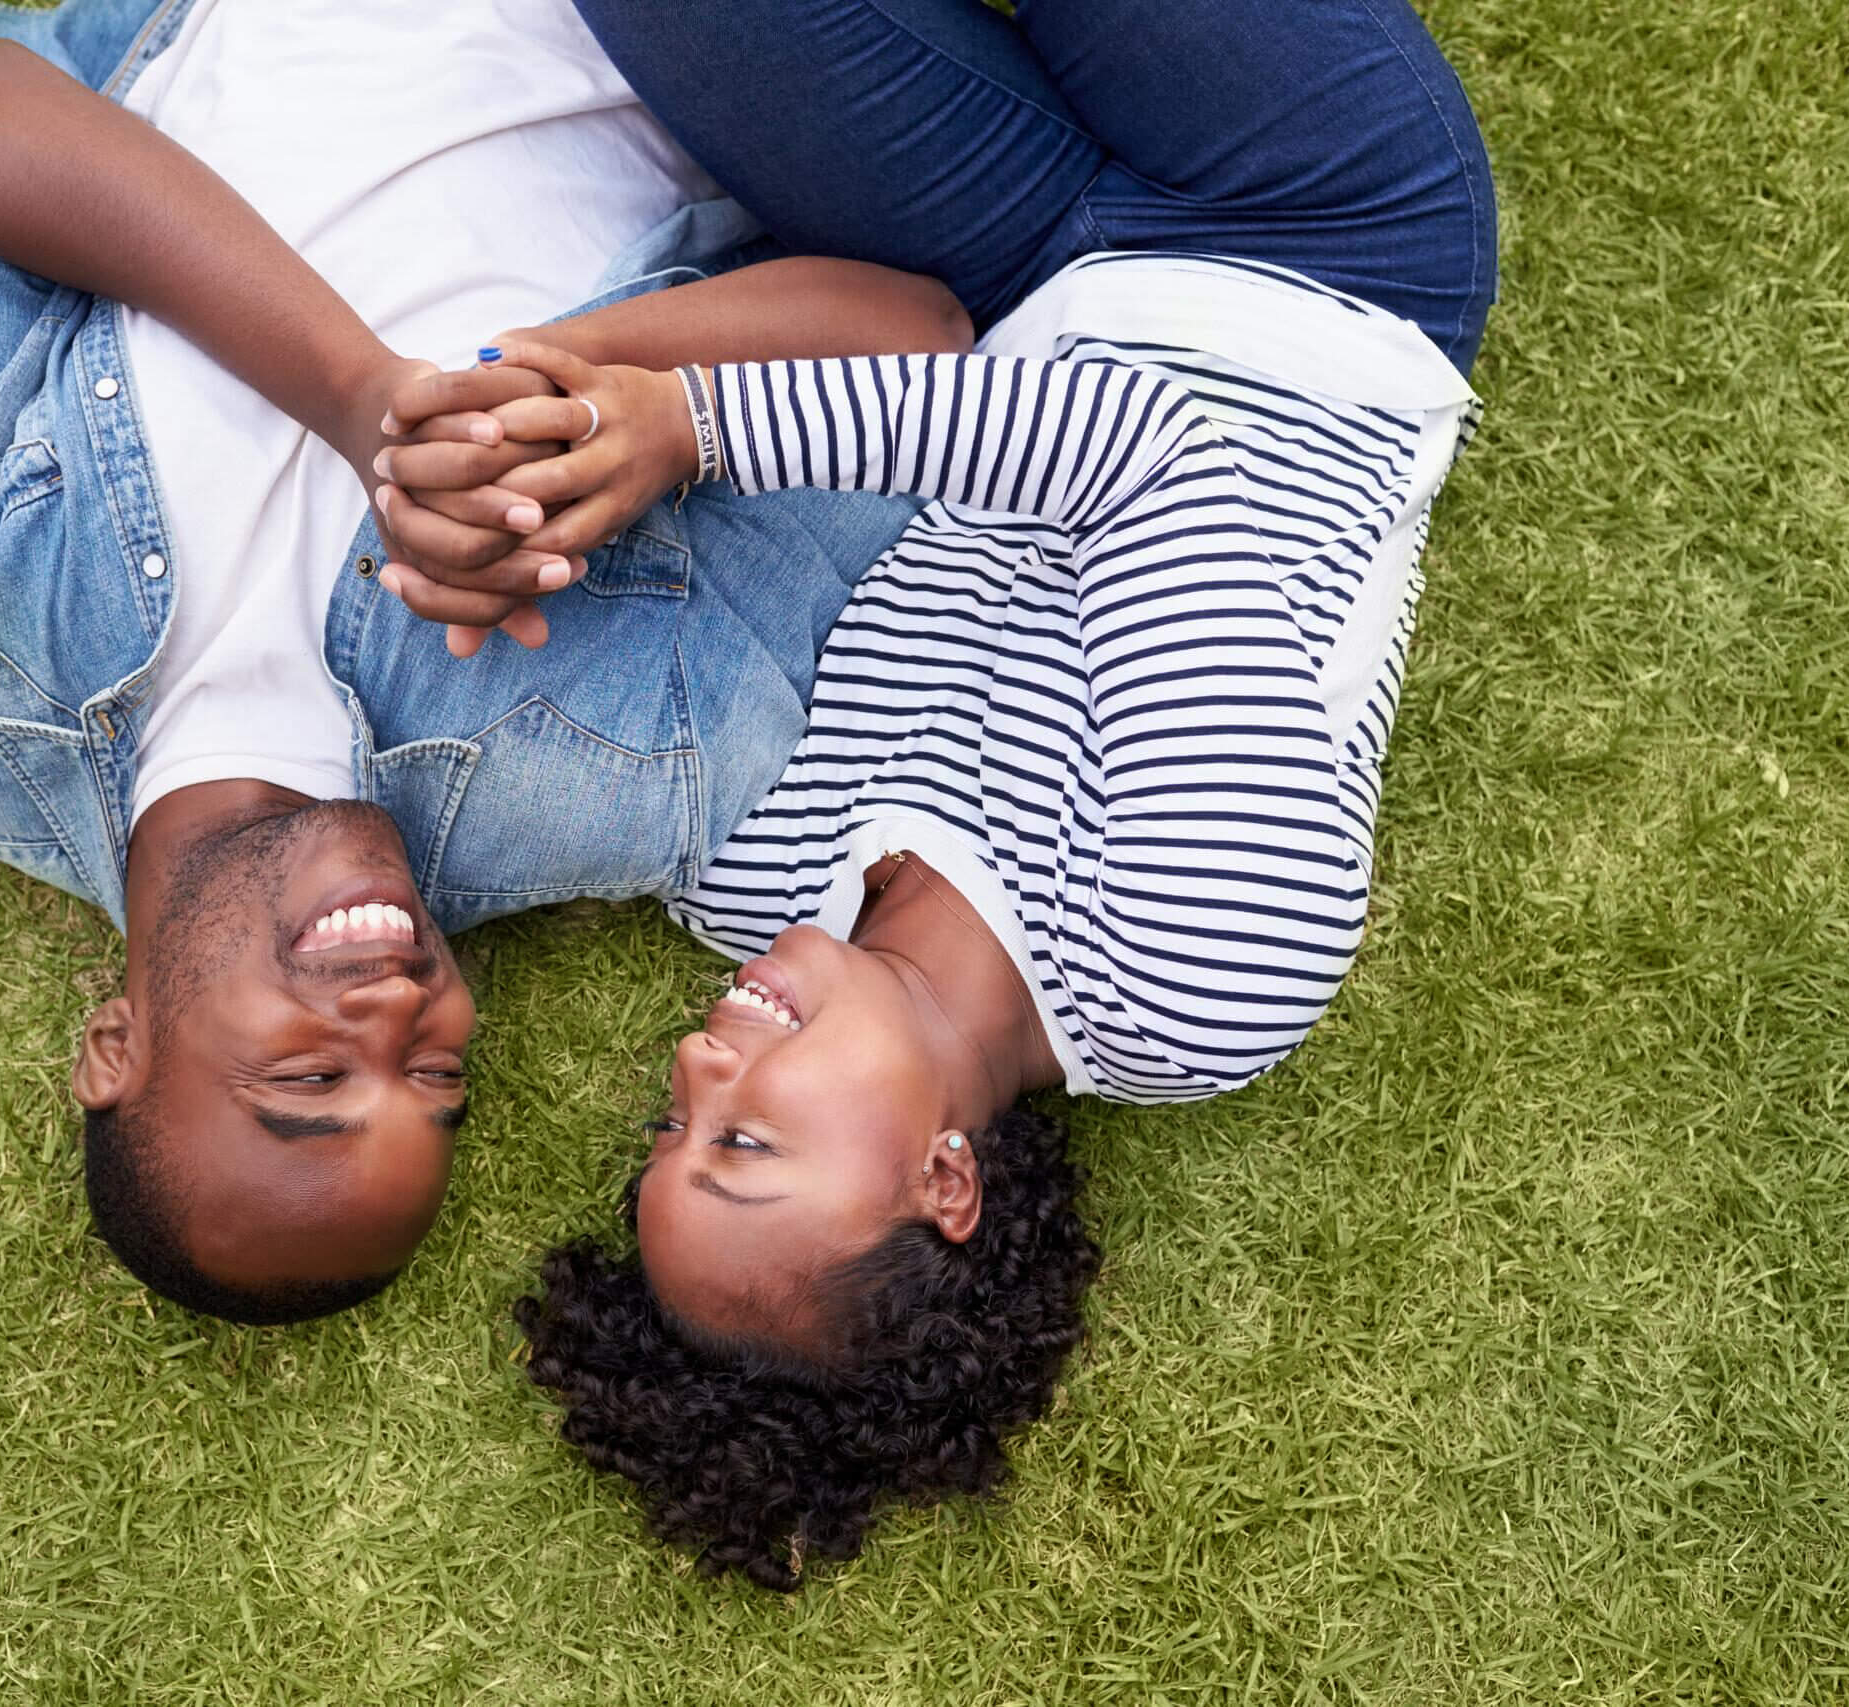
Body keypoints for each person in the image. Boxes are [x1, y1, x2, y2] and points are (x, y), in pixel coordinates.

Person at [375, 0, 1495, 1588]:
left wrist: (519, 492)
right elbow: (1156, 451)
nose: (701, 1060)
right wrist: (697, 431)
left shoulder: (752, 874)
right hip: (1313, 253)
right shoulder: (1197, 969)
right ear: (942, 1184)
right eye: (748, 1141)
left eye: (672, 1120)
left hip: (1000, 277)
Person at [0, 0, 964, 1324]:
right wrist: (563, 408)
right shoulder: (636, 770)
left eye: (309, 1082)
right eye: (437, 1084)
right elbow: (919, 342)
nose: (402, 1016)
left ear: (116, 1046)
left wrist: (368, 402)